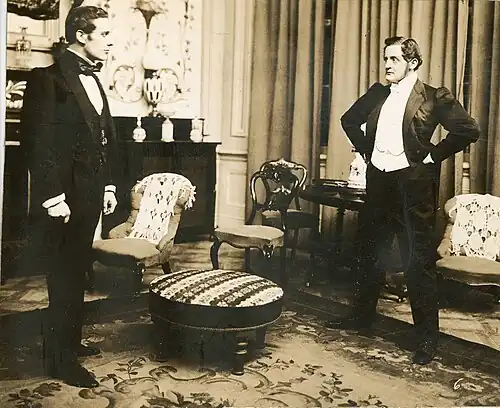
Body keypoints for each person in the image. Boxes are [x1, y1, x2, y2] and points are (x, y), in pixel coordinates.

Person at [327, 36, 480, 365]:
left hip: (413, 188)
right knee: (369, 252)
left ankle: (426, 339)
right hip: (379, 183)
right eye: (386, 58)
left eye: (394, 59)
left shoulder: (434, 96)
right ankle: (361, 318)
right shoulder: (378, 93)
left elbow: (469, 129)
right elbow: (348, 120)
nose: (387, 65)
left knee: (417, 262)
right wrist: (367, 152)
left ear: (412, 63)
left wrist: (433, 156)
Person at [20, 6, 118, 387]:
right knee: (63, 275)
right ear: (81, 35)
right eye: (104, 35)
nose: (110, 43)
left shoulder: (94, 78)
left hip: (90, 195)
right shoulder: (47, 79)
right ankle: (60, 361)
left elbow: (102, 137)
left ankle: (70, 344)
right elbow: (37, 144)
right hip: (63, 200)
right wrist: (52, 197)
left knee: (77, 272)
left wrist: (108, 186)